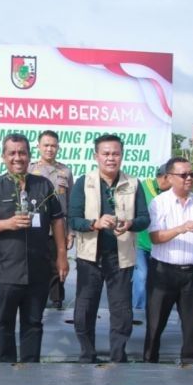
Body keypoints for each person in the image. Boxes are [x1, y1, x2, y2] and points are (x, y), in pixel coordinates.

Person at [0, 133, 68, 362]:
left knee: (34, 324)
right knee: (3, 324)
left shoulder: (43, 185)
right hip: (4, 270)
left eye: (22, 153)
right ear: (4, 157)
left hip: (38, 270)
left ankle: (30, 374)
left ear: (29, 155)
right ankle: (6, 376)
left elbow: (57, 219)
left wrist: (62, 256)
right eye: (12, 153)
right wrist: (8, 223)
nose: (18, 158)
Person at [68, 134, 150, 363]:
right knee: (84, 310)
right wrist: (94, 223)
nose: (111, 158)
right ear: (96, 156)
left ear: (122, 156)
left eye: (115, 154)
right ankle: (87, 354)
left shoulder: (133, 183)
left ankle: (117, 356)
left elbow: (145, 219)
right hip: (89, 257)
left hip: (121, 257)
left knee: (122, 312)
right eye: (106, 154)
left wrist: (131, 223)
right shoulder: (84, 182)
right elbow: (73, 219)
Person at [144, 157, 193, 364]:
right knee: (155, 324)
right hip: (163, 271)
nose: (189, 179)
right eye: (183, 175)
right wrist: (181, 228)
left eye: (192, 175)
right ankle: (149, 364)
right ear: (170, 178)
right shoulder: (159, 203)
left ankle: (190, 366)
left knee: (192, 325)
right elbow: (155, 237)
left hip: (191, 271)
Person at [29, 130, 74, 309]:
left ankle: (57, 299)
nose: (49, 149)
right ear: (38, 147)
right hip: (34, 226)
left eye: (53, 145)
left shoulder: (65, 171)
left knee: (58, 264)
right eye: (46, 145)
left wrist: (70, 232)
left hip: (59, 226)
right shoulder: (30, 169)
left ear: (58, 147)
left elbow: (69, 204)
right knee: (35, 264)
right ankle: (35, 299)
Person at [131, 164, 171, 310]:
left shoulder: (173, 194)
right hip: (141, 243)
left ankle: (154, 312)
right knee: (142, 278)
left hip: (161, 244)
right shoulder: (142, 188)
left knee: (158, 281)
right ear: (166, 177)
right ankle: (138, 313)